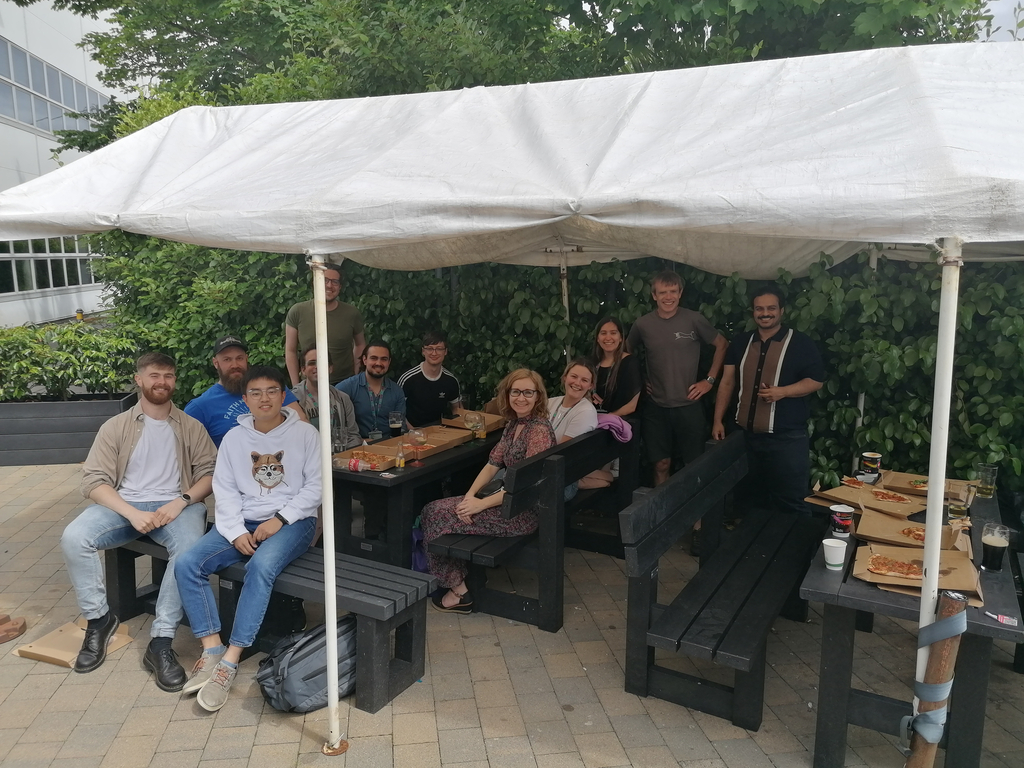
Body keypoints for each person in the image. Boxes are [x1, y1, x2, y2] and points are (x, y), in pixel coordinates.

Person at [61, 352, 216, 692]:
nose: (162, 381)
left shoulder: (191, 426)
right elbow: (93, 482)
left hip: (177, 506)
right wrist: (131, 512)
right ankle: (98, 621)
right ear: (139, 379)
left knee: (188, 550)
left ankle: (160, 642)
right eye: (154, 375)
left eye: (169, 375)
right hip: (125, 505)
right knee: (74, 537)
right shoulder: (115, 427)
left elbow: (210, 473)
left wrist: (182, 500)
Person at [175, 366, 321, 712]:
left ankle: (230, 660)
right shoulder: (234, 438)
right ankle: (211, 648)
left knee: (261, 566)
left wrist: (279, 519)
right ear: (245, 399)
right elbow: (224, 489)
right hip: (242, 521)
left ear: (283, 395)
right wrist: (236, 530)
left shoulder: (305, 434)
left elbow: (316, 487)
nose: (264, 398)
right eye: (255, 392)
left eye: (271, 391)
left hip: (294, 521)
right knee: (187, 564)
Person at [420, 369, 556, 613]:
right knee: (436, 510)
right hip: (507, 503)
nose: (521, 398)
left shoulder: (538, 431)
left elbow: (527, 485)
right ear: (507, 394)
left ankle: (458, 592)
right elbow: (492, 464)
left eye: (528, 392)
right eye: (516, 391)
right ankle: (458, 582)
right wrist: (470, 497)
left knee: (435, 514)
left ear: (538, 396)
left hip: (522, 513)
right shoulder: (514, 423)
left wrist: (480, 505)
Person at [712, 287, 825, 516]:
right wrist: (717, 420)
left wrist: (783, 392)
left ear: (782, 310)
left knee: (791, 500)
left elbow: (816, 381)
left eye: (771, 308)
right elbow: (727, 382)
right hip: (745, 436)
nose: (765, 313)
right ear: (753, 312)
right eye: (759, 309)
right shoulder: (741, 342)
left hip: (787, 438)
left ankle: (795, 539)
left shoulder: (801, 343)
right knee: (747, 498)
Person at [626, 271, 728, 486]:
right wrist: (639, 380)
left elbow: (722, 344)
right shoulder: (642, 324)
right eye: (663, 292)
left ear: (680, 293)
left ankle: (695, 509)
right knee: (661, 464)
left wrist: (709, 380)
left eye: (673, 291)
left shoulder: (694, 319)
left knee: (694, 465)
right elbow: (626, 352)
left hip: (689, 405)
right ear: (654, 295)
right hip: (656, 407)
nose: (668, 297)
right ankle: (662, 508)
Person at [185, 335, 304, 448]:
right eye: (227, 360)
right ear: (216, 363)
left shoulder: (273, 389)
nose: (234, 365)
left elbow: (301, 425)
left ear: (246, 359)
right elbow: (189, 452)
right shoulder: (200, 407)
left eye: (239, 358)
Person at [284, 263, 365, 386]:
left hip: (344, 384)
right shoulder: (297, 311)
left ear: (340, 287)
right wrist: (296, 386)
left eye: (335, 282)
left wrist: (355, 375)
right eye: (325, 280)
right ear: (315, 283)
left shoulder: (352, 313)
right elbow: (290, 350)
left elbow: (360, 344)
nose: (329, 285)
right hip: (310, 385)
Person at [292, 347, 361, 452]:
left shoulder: (343, 399)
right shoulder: (294, 401)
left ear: (330, 368)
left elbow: (353, 435)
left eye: (321, 362)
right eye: (312, 363)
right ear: (303, 370)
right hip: (308, 457)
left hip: (340, 458)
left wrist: (344, 457)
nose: (317, 367)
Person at [336, 341, 407, 439]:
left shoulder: (396, 391)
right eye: (374, 358)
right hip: (358, 445)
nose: (378, 363)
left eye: (384, 359)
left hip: (389, 444)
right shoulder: (346, 388)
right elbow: (336, 425)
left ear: (389, 362)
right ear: (364, 360)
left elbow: (401, 427)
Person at [398, 330, 463, 427]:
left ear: (445, 352)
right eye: (429, 349)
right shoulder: (408, 379)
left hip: (439, 431)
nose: (434, 353)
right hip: (411, 431)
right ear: (423, 351)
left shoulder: (451, 381)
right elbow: (397, 411)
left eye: (439, 349)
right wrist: (413, 432)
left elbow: (457, 409)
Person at [590, 317, 642, 417]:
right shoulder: (592, 364)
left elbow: (632, 406)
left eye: (613, 333)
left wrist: (607, 419)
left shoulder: (630, 363)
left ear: (621, 337)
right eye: (603, 333)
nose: (608, 338)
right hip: (593, 421)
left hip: (620, 422)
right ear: (597, 338)